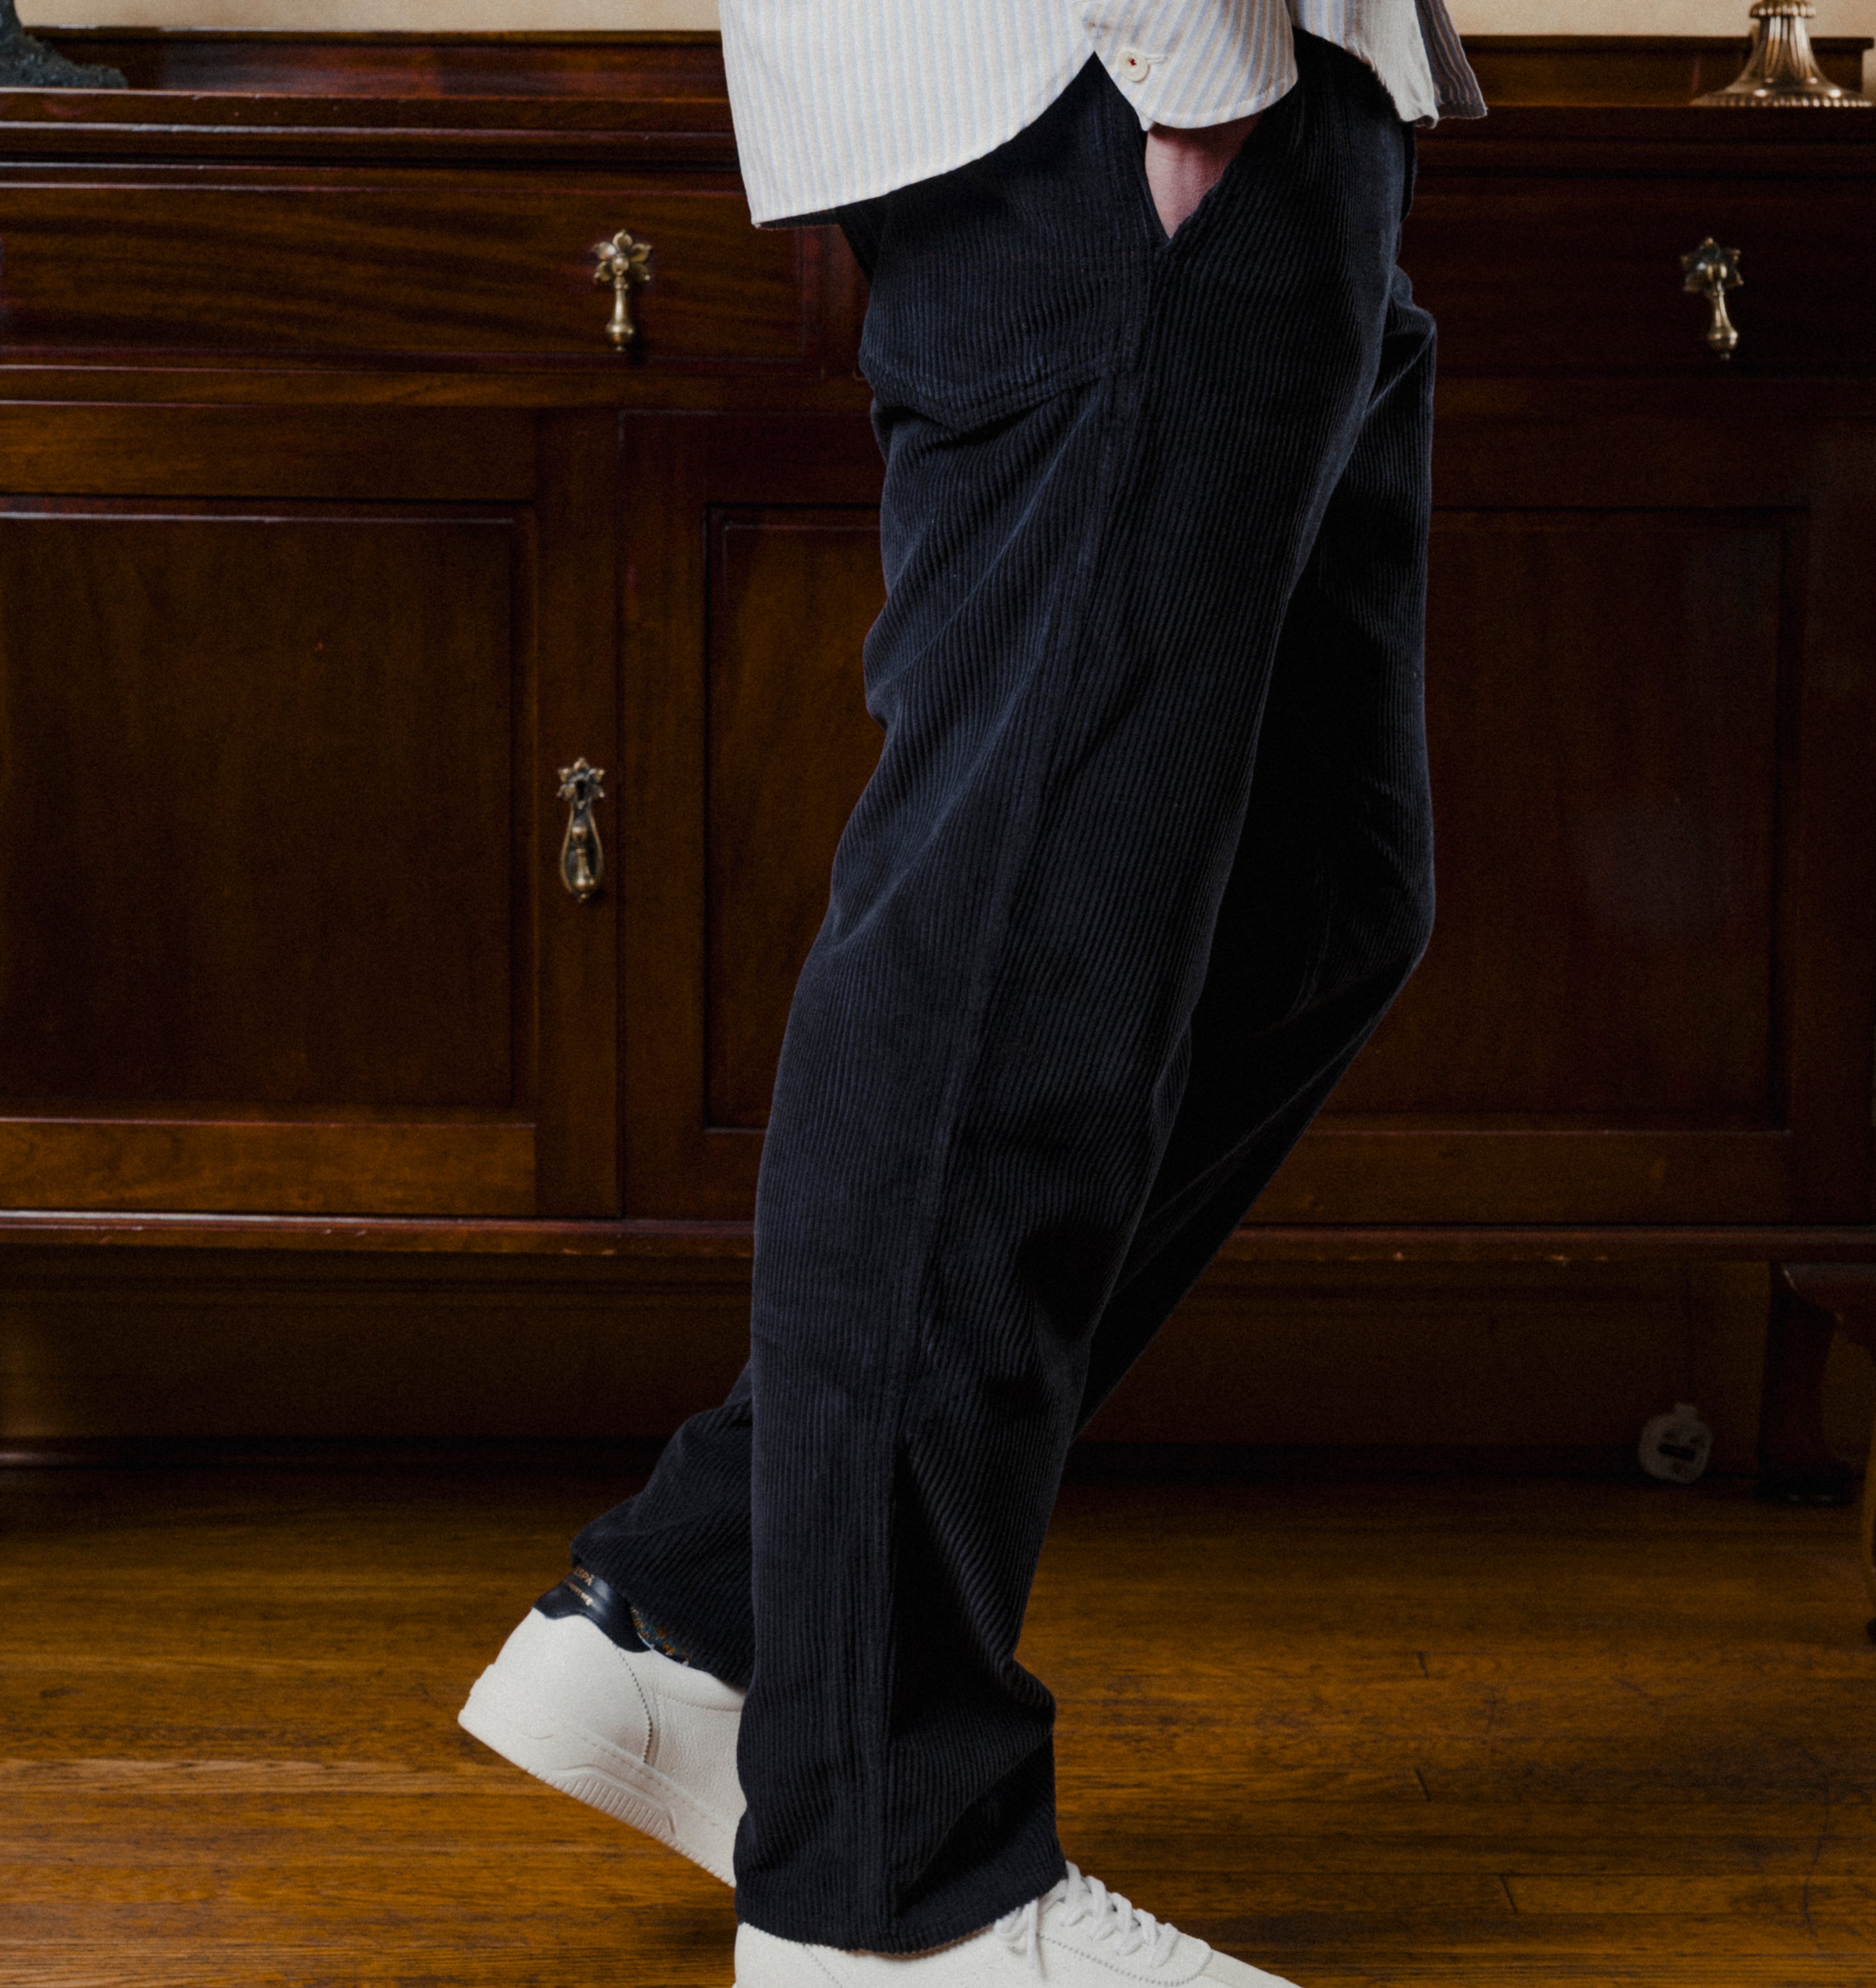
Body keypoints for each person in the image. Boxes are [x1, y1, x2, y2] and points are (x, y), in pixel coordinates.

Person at [461, 4, 1483, 1981]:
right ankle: (890, 1882)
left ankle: (709, 1612)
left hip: (1267, 111)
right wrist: (1191, 61)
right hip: (1137, 103)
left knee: (1321, 894)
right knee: (1004, 950)